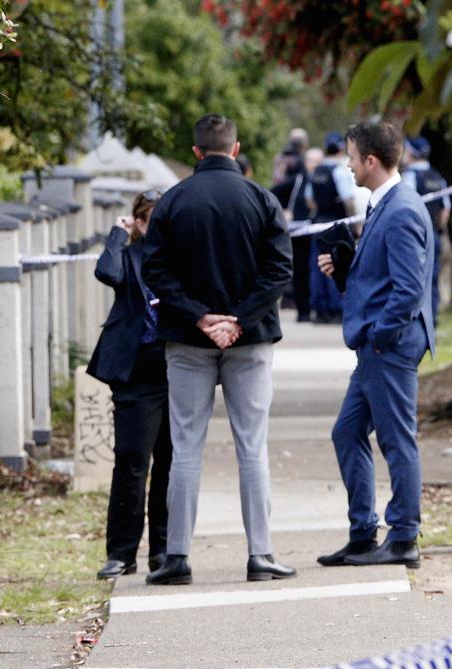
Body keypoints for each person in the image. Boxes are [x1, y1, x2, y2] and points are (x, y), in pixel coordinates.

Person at [141, 113, 297, 586]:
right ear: (235, 149)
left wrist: (199, 315)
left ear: (195, 153)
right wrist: (240, 318)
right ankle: (261, 554)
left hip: (188, 340)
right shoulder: (260, 199)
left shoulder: (172, 202)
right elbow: (279, 269)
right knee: (252, 446)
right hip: (249, 341)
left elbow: (155, 270)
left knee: (186, 447)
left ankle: (177, 557)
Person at [316, 121, 435, 570]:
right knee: (346, 432)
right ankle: (363, 534)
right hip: (376, 347)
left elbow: (407, 290)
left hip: (389, 347)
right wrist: (346, 268)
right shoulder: (383, 205)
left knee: (396, 440)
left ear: (370, 159)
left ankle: (404, 536)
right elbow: (383, 278)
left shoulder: (401, 209)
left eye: (350, 156)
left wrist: (379, 336)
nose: (345, 164)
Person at [87, 190, 172, 580]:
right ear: (139, 222)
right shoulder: (129, 255)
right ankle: (122, 553)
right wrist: (118, 235)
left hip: (180, 368)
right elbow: (108, 273)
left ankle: (165, 549)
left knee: (172, 463)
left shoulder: (180, 256)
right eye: (152, 219)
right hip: (137, 373)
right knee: (133, 461)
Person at [307, 132, 360, 323]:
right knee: (335, 263)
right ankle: (336, 308)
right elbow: (348, 200)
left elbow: (309, 200)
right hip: (337, 223)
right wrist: (354, 223)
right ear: (341, 149)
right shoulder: (340, 171)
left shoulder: (316, 171)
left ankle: (319, 309)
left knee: (317, 265)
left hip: (318, 222)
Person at [400, 136, 450, 320]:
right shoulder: (437, 177)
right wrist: (438, 229)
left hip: (414, 236)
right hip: (433, 235)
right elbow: (445, 208)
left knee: (412, 279)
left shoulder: (409, 177)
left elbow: (406, 206)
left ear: (411, 153)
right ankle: (432, 318)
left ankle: (416, 318)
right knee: (432, 278)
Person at [272, 130, 314, 322]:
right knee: (301, 267)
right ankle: (303, 310)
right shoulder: (299, 168)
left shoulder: (280, 159)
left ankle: (289, 303)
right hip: (298, 222)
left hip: (284, 222)